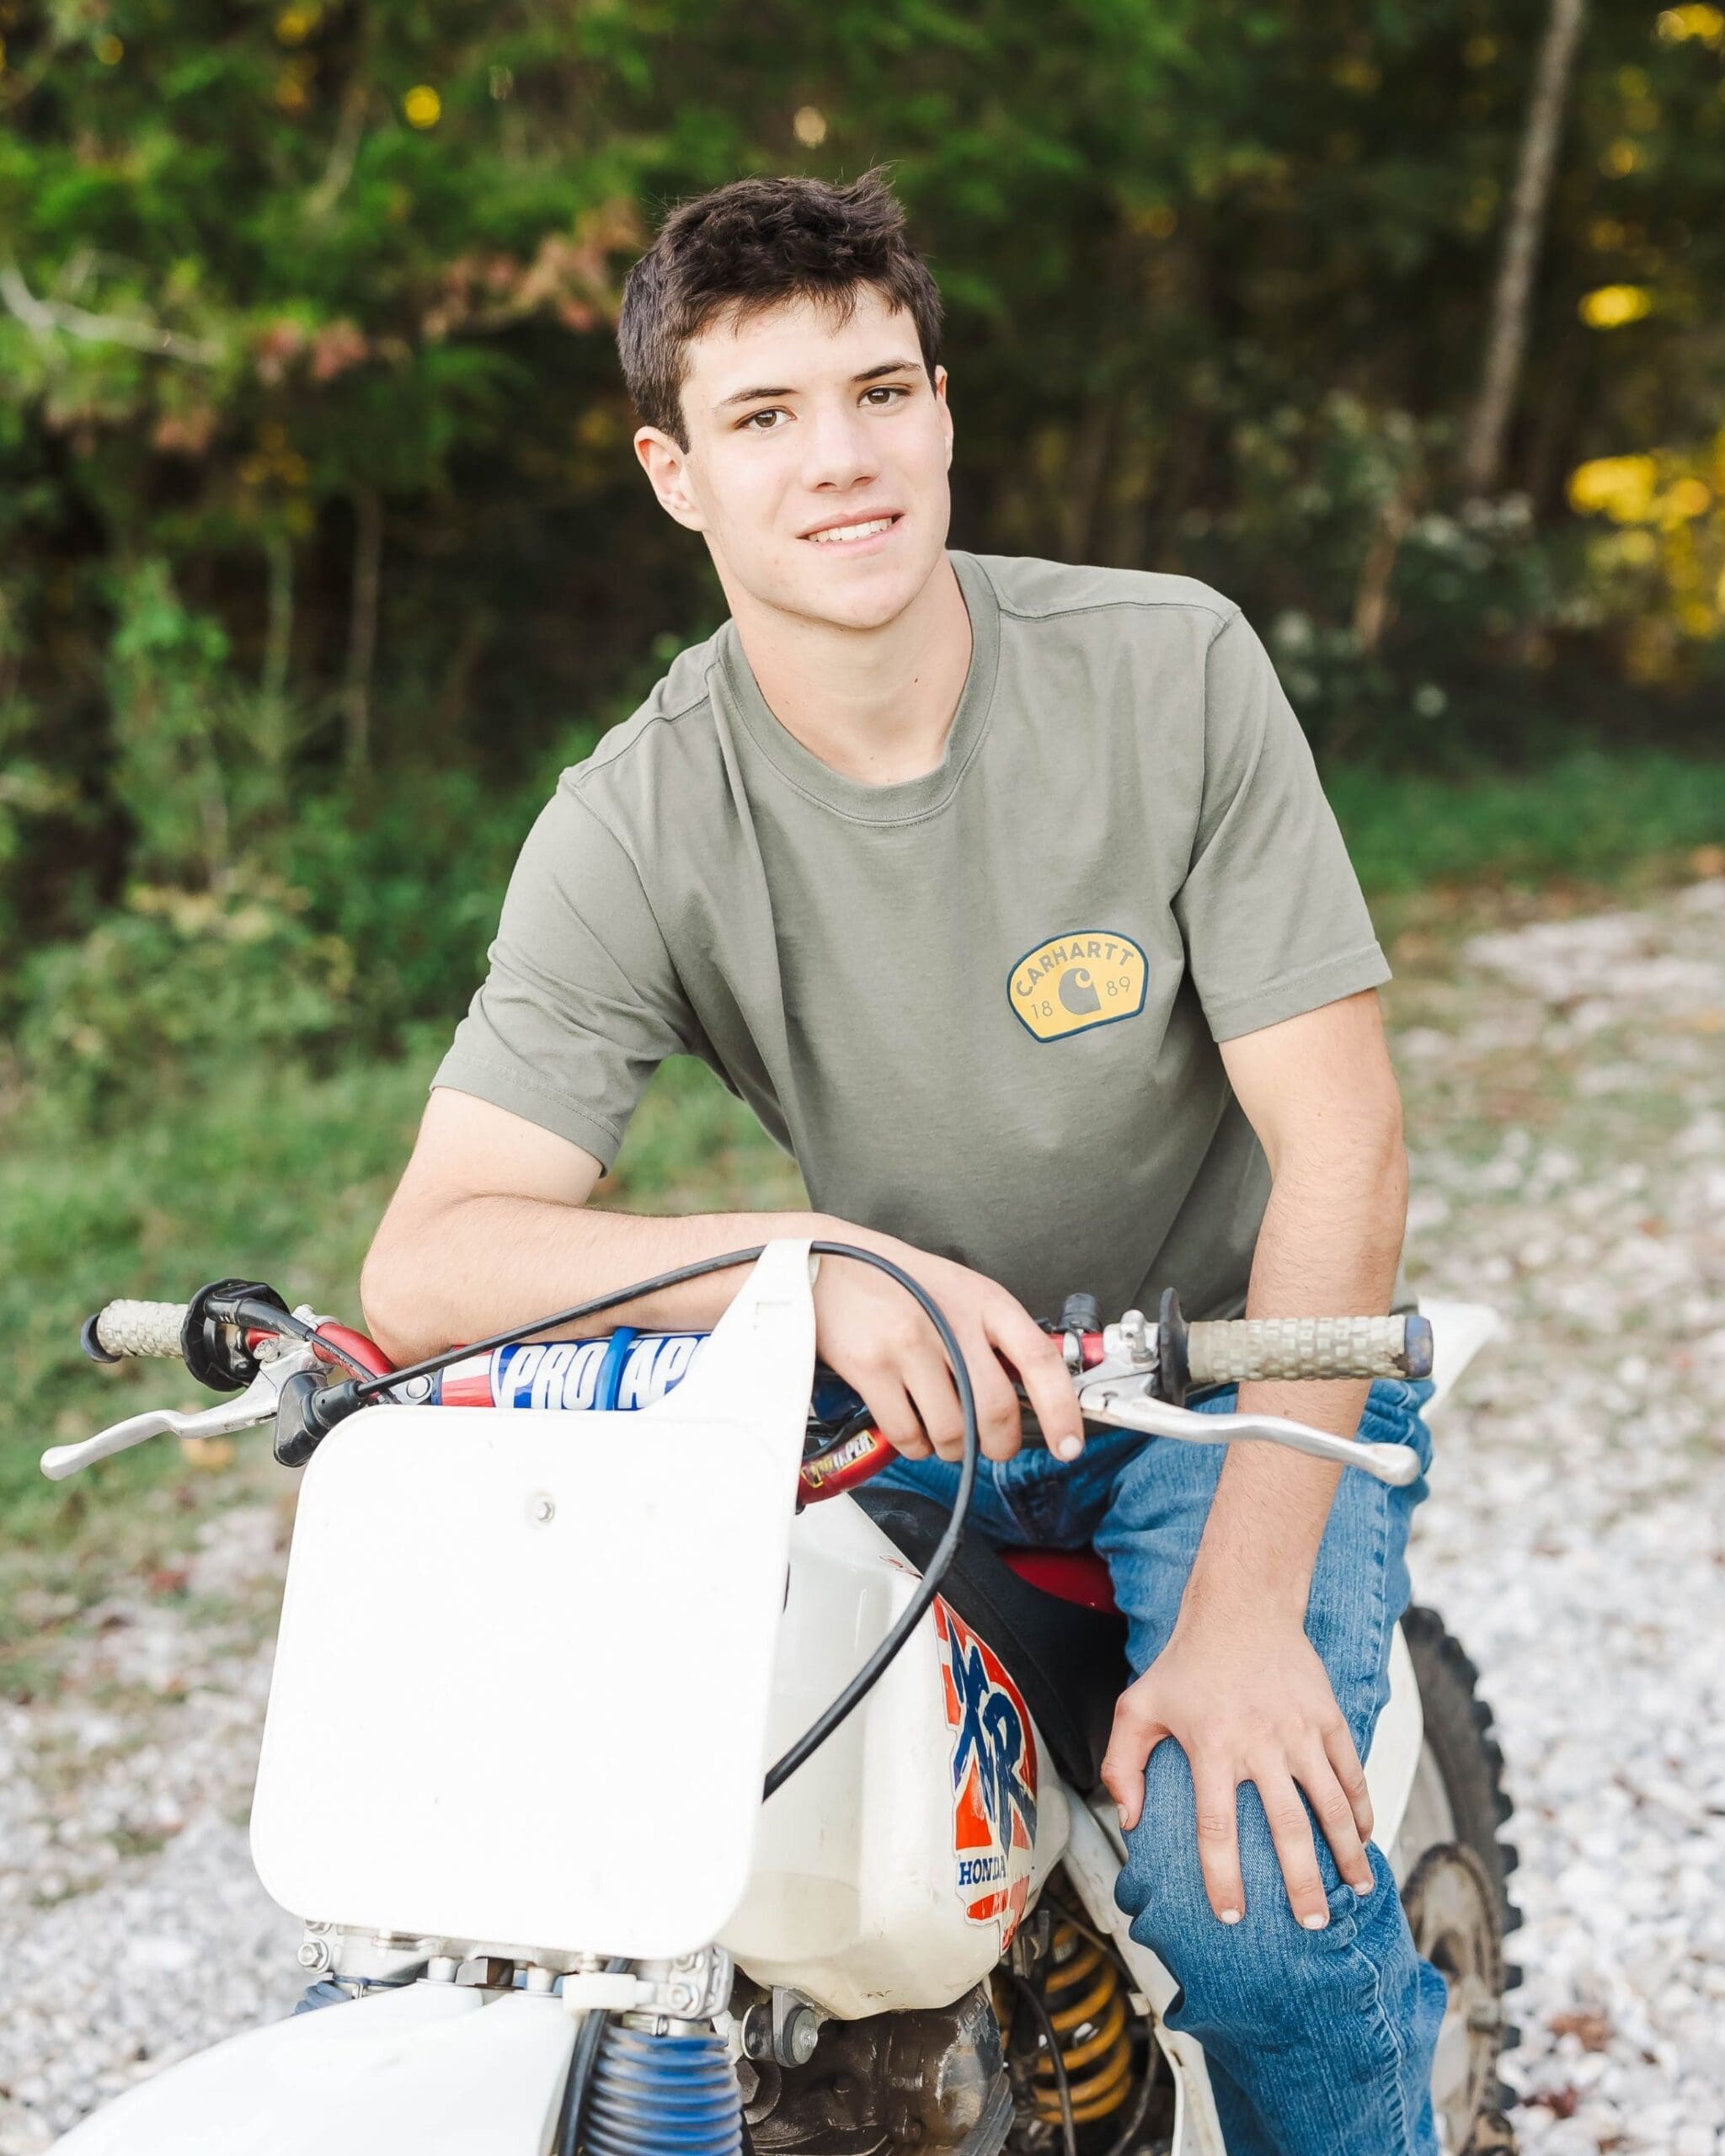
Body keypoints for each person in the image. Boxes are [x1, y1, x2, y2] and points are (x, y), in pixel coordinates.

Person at [360, 168, 1445, 2154]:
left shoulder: (1165, 667)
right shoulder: (638, 816)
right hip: (905, 1403)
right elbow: (431, 1260)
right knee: (600, 1849)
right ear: (676, 473)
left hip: (1222, 1381)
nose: (839, 459)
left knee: (1249, 1894)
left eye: (877, 392)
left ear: (942, 408)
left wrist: (1241, 1612)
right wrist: (810, 1264)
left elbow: (1345, 1138)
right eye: (764, 416)